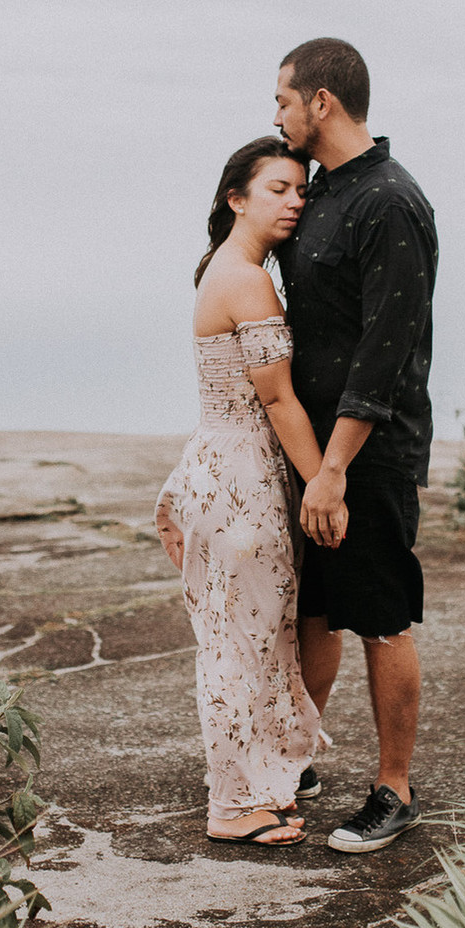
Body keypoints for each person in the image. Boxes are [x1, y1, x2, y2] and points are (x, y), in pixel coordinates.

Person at [155, 137, 343, 847]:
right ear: (237, 197)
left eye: (301, 189)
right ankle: (232, 807)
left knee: (247, 637)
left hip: (219, 464)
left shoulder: (224, 268)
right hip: (241, 480)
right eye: (277, 188)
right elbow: (279, 400)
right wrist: (328, 481)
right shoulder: (247, 279)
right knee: (240, 644)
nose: (295, 201)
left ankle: (256, 784)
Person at [274, 38, 438, 854]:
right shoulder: (323, 194)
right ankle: (298, 759)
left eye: (283, 101)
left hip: (369, 456)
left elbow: (386, 349)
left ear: (322, 102)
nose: (277, 116)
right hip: (316, 458)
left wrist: (334, 468)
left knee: (381, 616)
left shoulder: (390, 203)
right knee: (315, 611)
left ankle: (394, 788)